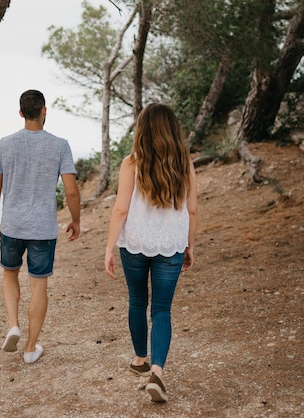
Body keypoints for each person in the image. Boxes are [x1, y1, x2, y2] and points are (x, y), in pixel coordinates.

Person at [104, 103, 198, 402]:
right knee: (161, 309)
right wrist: (189, 244)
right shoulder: (185, 164)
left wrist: (108, 248)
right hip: (170, 244)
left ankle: (141, 359)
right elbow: (192, 210)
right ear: (172, 129)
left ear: (141, 129)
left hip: (134, 242)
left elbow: (120, 209)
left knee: (136, 300)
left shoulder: (132, 162)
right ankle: (157, 370)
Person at [0, 89, 81, 365]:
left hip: (13, 227)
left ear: (20, 113)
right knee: (39, 286)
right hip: (42, 228)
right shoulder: (60, 145)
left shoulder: (4, 145)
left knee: (9, 274)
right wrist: (76, 220)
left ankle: (14, 325)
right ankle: (30, 349)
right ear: (44, 110)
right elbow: (71, 191)